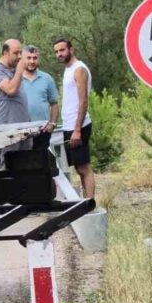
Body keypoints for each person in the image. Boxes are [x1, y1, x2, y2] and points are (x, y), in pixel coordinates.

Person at [53, 38, 94, 199]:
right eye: (56, 51)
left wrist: (77, 129)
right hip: (69, 125)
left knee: (84, 167)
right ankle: (86, 202)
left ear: (71, 49)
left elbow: (83, 101)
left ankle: (90, 203)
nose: (59, 54)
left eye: (62, 50)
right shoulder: (68, 69)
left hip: (79, 126)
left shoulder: (79, 69)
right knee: (78, 168)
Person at [20, 45, 58, 150]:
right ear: (22, 59)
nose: (32, 61)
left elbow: (54, 103)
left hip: (43, 130)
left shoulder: (47, 78)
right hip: (22, 132)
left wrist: (52, 124)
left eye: (35, 58)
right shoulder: (16, 79)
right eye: (28, 58)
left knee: (42, 163)